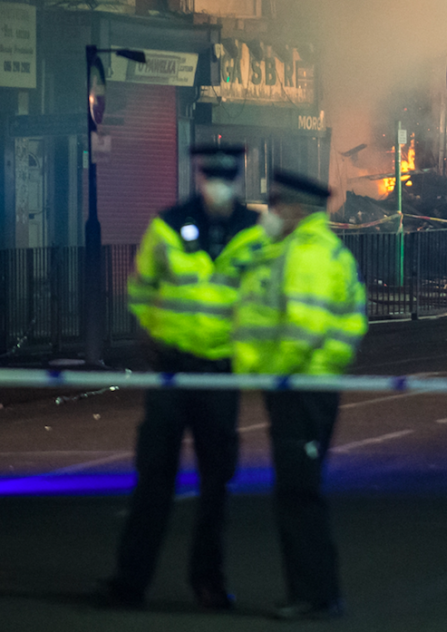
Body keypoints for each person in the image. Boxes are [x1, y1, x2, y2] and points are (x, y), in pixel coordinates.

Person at [101, 145, 263, 609]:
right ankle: (130, 582)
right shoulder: (168, 225)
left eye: (224, 177)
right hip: (173, 371)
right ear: (199, 177)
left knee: (216, 485)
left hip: (219, 374)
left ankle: (207, 581)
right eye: (210, 177)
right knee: (153, 478)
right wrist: (150, 335)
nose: (217, 185)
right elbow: (141, 288)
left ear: (236, 180)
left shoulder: (254, 235)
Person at [232, 170, 368, 620]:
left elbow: (301, 331)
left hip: (300, 388)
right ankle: (316, 590)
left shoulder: (306, 255)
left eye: (275, 204)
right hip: (308, 386)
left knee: (298, 493)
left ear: (295, 208)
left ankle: (313, 593)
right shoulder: (308, 249)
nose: (269, 212)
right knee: (300, 490)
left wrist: (267, 373)